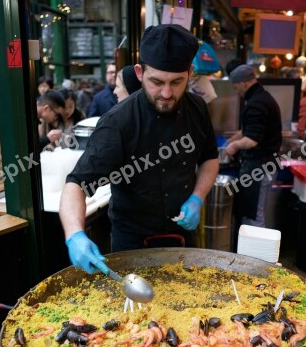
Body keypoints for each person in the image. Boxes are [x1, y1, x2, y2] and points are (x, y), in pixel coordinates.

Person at [59, 24, 219, 273]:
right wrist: (74, 235)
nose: (166, 93)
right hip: (131, 242)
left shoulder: (198, 109)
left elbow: (210, 158)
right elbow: (76, 185)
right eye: (157, 82)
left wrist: (197, 197)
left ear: (190, 72)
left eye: (177, 82)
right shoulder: (118, 122)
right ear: (139, 72)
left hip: (184, 237)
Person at [225, 65, 282, 228]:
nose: (237, 92)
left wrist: (234, 146)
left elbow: (252, 140)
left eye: (236, 88)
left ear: (243, 83)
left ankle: (255, 254)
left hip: (260, 167)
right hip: (264, 165)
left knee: (254, 216)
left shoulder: (256, 103)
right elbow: (249, 130)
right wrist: (231, 140)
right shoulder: (262, 98)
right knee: (251, 213)